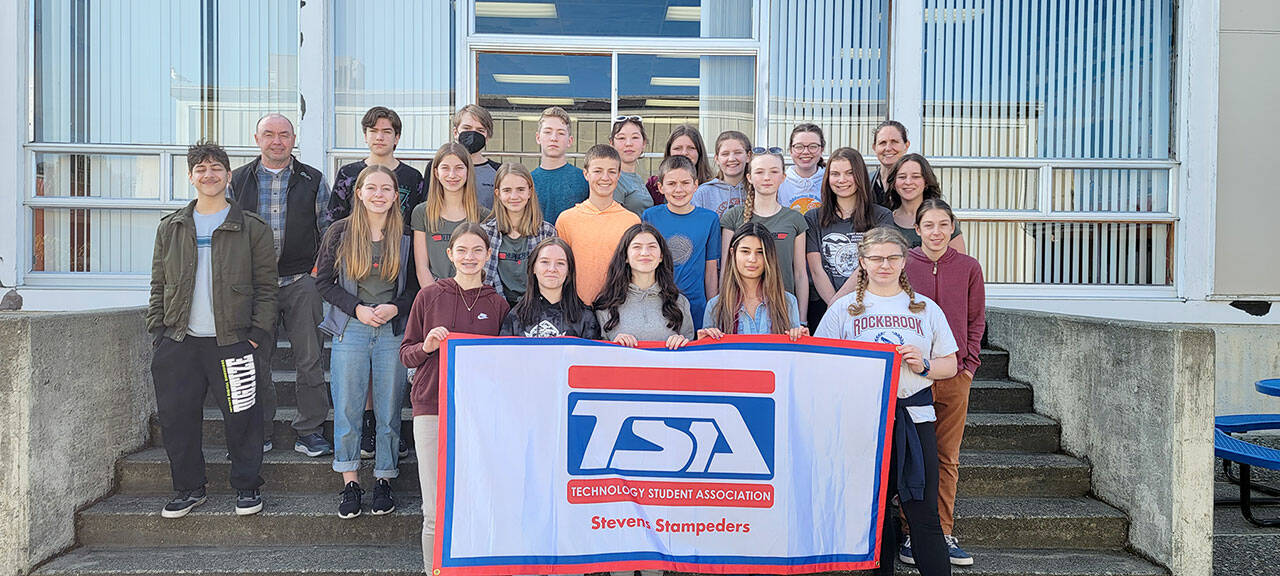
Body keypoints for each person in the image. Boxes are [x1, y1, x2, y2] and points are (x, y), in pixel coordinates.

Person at [813, 226, 958, 576]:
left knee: (922, 511)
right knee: (873, 514)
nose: (884, 265)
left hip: (915, 418)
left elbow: (950, 364)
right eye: (876, 258)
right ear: (862, 262)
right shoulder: (843, 309)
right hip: (864, 420)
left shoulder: (925, 309)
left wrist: (923, 364)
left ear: (904, 261)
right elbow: (820, 363)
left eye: (892, 258)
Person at [147, 140, 276, 518]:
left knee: (243, 417)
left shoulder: (251, 227)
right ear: (191, 177)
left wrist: (255, 335)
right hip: (179, 342)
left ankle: (247, 487)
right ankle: (189, 488)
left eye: (216, 167)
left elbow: (268, 288)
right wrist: (159, 330)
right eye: (200, 169)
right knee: (178, 419)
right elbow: (158, 283)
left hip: (233, 341)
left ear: (228, 175)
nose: (209, 174)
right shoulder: (171, 226)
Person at [400, 222, 510, 575]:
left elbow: (505, 362)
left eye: (477, 250)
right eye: (461, 250)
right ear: (449, 255)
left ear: (488, 255)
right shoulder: (429, 296)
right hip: (432, 407)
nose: (469, 257)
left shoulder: (498, 304)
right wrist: (426, 346)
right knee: (434, 508)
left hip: (479, 414)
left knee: (475, 501)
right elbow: (405, 352)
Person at [314, 164, 418, 519]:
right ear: (358, 193)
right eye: (370, 188)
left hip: (391, 329)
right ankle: (350, 482)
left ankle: (384, 478)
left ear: (395, 196)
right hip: (352, 328)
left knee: (389, 409)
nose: (378, 194)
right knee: (347, 406)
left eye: (385, 189)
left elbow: (416, 289)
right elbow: (323, 282)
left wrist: (394, 307)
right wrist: (356, 309)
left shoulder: (405, 235)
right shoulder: (340, 233)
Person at [228, 113, 332, 457]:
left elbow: (328, 231)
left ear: (293, 138)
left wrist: (318, 272)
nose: (277, 141)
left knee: (309, 358)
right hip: (254, 286)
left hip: (301, 280)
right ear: (256, 138)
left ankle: (310, 430)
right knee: (256, 360)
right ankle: (260, 430)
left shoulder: (312, 179)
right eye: (269, 134)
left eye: (284, 134)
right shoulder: (238, 180)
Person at [902, 198, 986, 567]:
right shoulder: (903, 264)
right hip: (910, 376)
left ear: (953, 228)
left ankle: (944, 531)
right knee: (909, 455)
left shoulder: (968, 267)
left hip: (953, 373)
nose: (936, 232)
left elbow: (976, 319)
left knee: (946, 455)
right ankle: (909, 534)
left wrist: (968, 364)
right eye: (929, 225)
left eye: (943, 225)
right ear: (917, 230)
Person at [804, 147, 894, 329]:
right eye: (835, 174)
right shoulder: (813, 217)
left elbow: (871, 265)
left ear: (860, 176)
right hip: (822, 307)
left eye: (849, 173)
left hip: (867, 307)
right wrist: (834, 306)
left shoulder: (882, 217)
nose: (841, 180)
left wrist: (839, 304)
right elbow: (816, 270)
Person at [719, 149, 809, 321]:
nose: (767, 177)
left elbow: (800, 273)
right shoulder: (733, 217)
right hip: (740, 311)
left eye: (774, 172)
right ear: (749, 177)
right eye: (759, 172)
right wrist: (725, 308)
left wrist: (802, 318)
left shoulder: (795, 219)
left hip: (783, 310)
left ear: (783, 177)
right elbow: (725, 267)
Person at [555, 144, 641, 304]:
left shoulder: (631, 221)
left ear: (619, 175)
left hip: (618, 308)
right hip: (576, 309)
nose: (605, 178)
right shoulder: (567, 219)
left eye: (612, 172)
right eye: (598, 171)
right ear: (586, 174)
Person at [642, 156, 720, 330]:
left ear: (695, 185)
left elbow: (711, 270)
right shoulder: (650, 216)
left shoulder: (709, 219)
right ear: (660, 187)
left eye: (685, 183)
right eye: (671, 184)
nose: (679, 189)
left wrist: (712, 309)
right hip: (658, 303)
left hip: (696, 305)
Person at [593, 223, 694, 350]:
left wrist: (683, 343)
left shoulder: (679, 302)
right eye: (637, 247)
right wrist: (613, 346)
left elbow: (690, 355)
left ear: (661, 256)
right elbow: (596, 356)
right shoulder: (606, 304)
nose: (645, 253)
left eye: (652, 247)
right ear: (626, 257)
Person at [698, 222, 806, 339]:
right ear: (732, 253)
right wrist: (704, 340)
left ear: (769, 256)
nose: (752, 259)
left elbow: (794, 354)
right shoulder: (715, 306)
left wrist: (802, 339)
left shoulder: (787, 302)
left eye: (760, 252)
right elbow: (709, 356)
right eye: (745, 251)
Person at [327, 106, 425, 225]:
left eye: (386, 132)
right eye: (373, 131)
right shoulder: (347, 174)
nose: (379, 137)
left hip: (400, 242)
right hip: (355, 242)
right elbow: (333, 220)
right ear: (365, 136)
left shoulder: (412, 177)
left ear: (397, 138)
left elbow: (419, 222)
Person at [411, 142, 491, 287]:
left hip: (471, 293)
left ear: (468, 171)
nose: (452, 175)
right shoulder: (421, 213)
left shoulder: (483, 216)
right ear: (436, 173)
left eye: (459, 168)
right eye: (445, 168)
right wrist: (435, 299)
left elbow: (484, 266)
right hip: (434, 295)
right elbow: (422, 268)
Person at [481, 162, 558, 306]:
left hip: (537, 307)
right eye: (507, 190)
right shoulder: (486, 233)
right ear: (497, 193)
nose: (514, 196)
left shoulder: (546, 233)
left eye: (520, 189)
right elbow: (482, 279)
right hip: (496, 306)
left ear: (530, 192)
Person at [500, 237, 601, 338]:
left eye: (560, 263)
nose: (552, 269)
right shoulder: (516, 316)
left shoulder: (585, 318)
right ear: (533, 268)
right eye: (545, 262)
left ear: (569, 271)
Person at [887, 153, 965, 252]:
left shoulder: (942, 218)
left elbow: (960, 261)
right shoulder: (885, 219)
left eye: (916, 176)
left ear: (926, 182)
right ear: (894, 183)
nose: (908, 182)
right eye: (902, 177)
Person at [531, 106, 589, 223]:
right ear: (538, 137)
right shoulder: (527, 181)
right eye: (547, 132)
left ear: (570, 141)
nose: (554, 138)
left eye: (561, 133)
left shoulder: (584, 179)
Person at [646, 124, 712, 206]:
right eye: (677, 148)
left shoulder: (712, 187)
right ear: (669, 152)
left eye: (691, 148)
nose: (684, 153)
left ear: (699, 152)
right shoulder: (654, 186)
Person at [452, 104, 503, 211]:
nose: (473, 134)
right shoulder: (440, 167)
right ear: (456, 132)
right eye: (467, 128)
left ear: (487, 137)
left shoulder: (499, 172)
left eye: (480, 130)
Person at [693, 130, 752, 217]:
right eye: (725, 154)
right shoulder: (703, 193)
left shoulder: (757, 190)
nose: (731, 158)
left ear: (748, 156)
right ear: (717, 159)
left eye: (738, 152)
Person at [609, 115, 656, 216]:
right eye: (621, 138)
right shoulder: (613, 179)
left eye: (635, 137)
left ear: (644, 143)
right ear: (612, 144)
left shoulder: (637, 178)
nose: (628, 143)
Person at [777, 123, 827, 213]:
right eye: (799, 147)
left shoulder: (831, 181)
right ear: (791, 150)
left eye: (813, 147)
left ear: (822, 149)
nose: (806, 152)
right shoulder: (779, 182)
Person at [871, 120, 910, 208]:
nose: (888, 148)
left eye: (894, 142)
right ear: (874, 147)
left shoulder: (914, 183)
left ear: (906, 145)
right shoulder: (866, 184)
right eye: (882, 143)